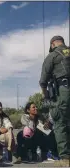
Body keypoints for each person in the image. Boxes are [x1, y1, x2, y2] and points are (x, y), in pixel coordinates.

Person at [39, 35, 70, 167]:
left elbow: (43, 81)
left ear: (52, 45)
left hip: (64, 90)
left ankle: (65, 158)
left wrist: (46, 96)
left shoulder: (52, 56)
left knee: (60, 122)